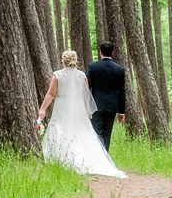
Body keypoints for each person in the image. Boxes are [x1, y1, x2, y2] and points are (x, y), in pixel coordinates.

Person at [37, 49, 126, 178]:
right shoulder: (82, 76)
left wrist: (43, 109)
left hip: (61, 106)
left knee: (60, 128)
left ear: (63, 60)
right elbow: (85, 95)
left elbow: (51, 94)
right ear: (75, 59)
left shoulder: (57, 75)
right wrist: (84, 109)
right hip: (78, 108)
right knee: (79, 132)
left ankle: (60, 158)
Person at [85, 40, 126, 151]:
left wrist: (85, 104)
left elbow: (86, 87)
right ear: (112, 52)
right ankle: (105, 159)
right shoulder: (119, 69)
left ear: (100, 52)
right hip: (112, 106)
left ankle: (99, 159)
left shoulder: (93, 67)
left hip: (96, 105)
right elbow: (122, 91)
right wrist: (122, 111)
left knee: (96, 133)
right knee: (107, 133)